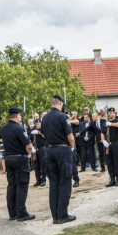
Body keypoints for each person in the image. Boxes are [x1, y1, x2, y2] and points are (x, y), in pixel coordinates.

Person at [43, 94, 77, 224]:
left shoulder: (45, 118)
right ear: (60, 104)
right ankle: (62, 215)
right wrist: (72, 148)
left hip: (50, 150)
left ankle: (55, 216)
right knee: (65, 182)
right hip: (63, 151)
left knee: (54, 184)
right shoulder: (63, 117)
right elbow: (70, 136)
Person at [0, 107, 35, 221]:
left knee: (11, 185)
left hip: (9, 158)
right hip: (20, 159)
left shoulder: (4, 128)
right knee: (22, 185)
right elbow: (28, 146)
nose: (20, 117)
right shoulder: (19, 129)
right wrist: (28, 156)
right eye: (19, 115)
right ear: (16, 116)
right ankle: (21, 212)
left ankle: (12, 212)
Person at [102, 107, 118, 186]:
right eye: (109, 112)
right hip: (107, 144)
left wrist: (111, 124)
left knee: (116, 161)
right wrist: (103, 140)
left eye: (112, 112)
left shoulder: (117, 121)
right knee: (109, 162)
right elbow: (102, 133)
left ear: (115, 113)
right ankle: (112, 178)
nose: (110, 114)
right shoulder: (105, 123)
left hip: (115, 143)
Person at [31, 119, 47, 187]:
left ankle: (43, 180)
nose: (37, 124)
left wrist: (39, 132)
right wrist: (32, 148)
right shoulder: (33, 131)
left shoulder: (44, 129)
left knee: (43, 165)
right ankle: (38, 180)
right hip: (35, 149)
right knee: (36, 166)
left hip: (42, 148)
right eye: (36, 123)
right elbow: (30, 140)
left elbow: (45, 136)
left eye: (38, 123)